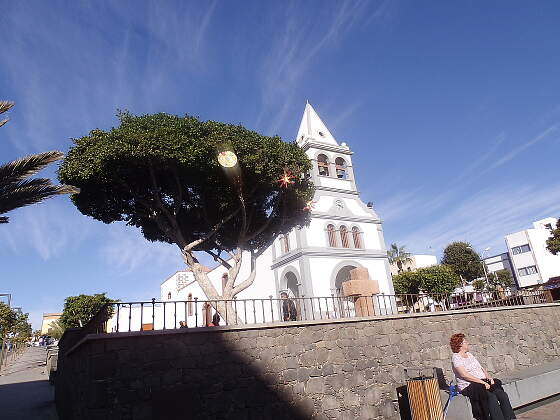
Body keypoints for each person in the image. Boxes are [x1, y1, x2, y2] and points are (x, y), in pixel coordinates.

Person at [450, 333, 516, 420]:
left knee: (502, 394)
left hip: (482, 382)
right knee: (491, 397)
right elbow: (464, 375)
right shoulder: (456, 357)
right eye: (465, 342)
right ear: (460, 344)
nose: (468, 343)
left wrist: (489, 378)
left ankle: (510, 418)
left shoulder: (469, 355)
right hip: (469, 385)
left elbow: (480, 368)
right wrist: (482, 382)